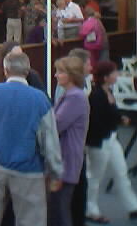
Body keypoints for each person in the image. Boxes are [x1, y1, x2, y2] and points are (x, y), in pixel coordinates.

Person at [0, 51, 63, 226]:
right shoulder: (40, 99)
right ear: (28, 71)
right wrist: (55, 171)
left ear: (5, 70)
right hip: (29, 170)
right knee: (30, 220)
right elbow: (50, 140)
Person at [85, 61, 137, 223]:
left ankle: (133, 207)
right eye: (115, 73)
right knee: (95, 177)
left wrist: (120, 118)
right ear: (106, 77)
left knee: (121, 172)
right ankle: (90, 209)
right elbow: (97, 121)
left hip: (111, 139)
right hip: (99, 142)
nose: (117, 75)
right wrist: (118, 120)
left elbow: (111, 114)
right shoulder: (96, 96)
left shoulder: (109, 91)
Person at [49, 57, 90, 226]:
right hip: (66, 156)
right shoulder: (72, 95)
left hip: (66, 158)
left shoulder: (75, 98)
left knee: (59, 209)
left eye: (60, 72)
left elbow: (55, 125)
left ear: (71, 75)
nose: (56, 75)